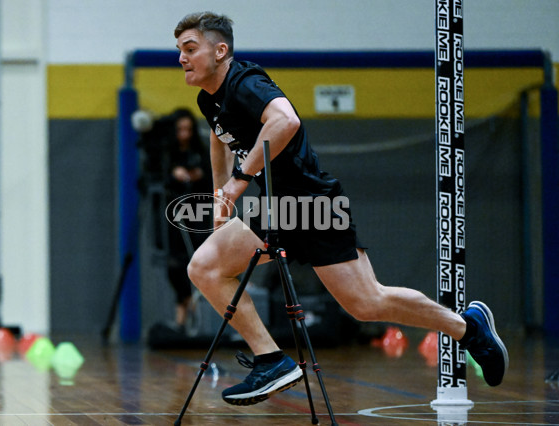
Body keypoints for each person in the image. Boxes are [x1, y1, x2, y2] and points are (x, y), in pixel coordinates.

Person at [174, 12, 508, 406]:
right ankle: (271, 360)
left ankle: (467, 328)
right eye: (179, 50)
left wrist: (238, 182)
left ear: (221, 50)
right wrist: (220, 196)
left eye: (190, 48)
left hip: (311, 205)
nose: (182, 57)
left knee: (367, 304)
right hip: (279, 208)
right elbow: (221, 138)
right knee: (205, 266)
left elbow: (285, 120)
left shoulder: (245, 81)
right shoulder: (208, 97)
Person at [163, 108, 211, 331]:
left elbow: (212, 177)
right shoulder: (168, 154)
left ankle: (198, 312)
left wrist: (198, 175)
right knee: (175, 265)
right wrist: (174, 174)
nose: (185, 134)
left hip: (198, 211)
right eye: (180, 129)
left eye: (188, 129)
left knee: (199, 259)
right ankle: (184, 304)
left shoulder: (200, 152)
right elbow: (156, 177)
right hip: (175, 213)